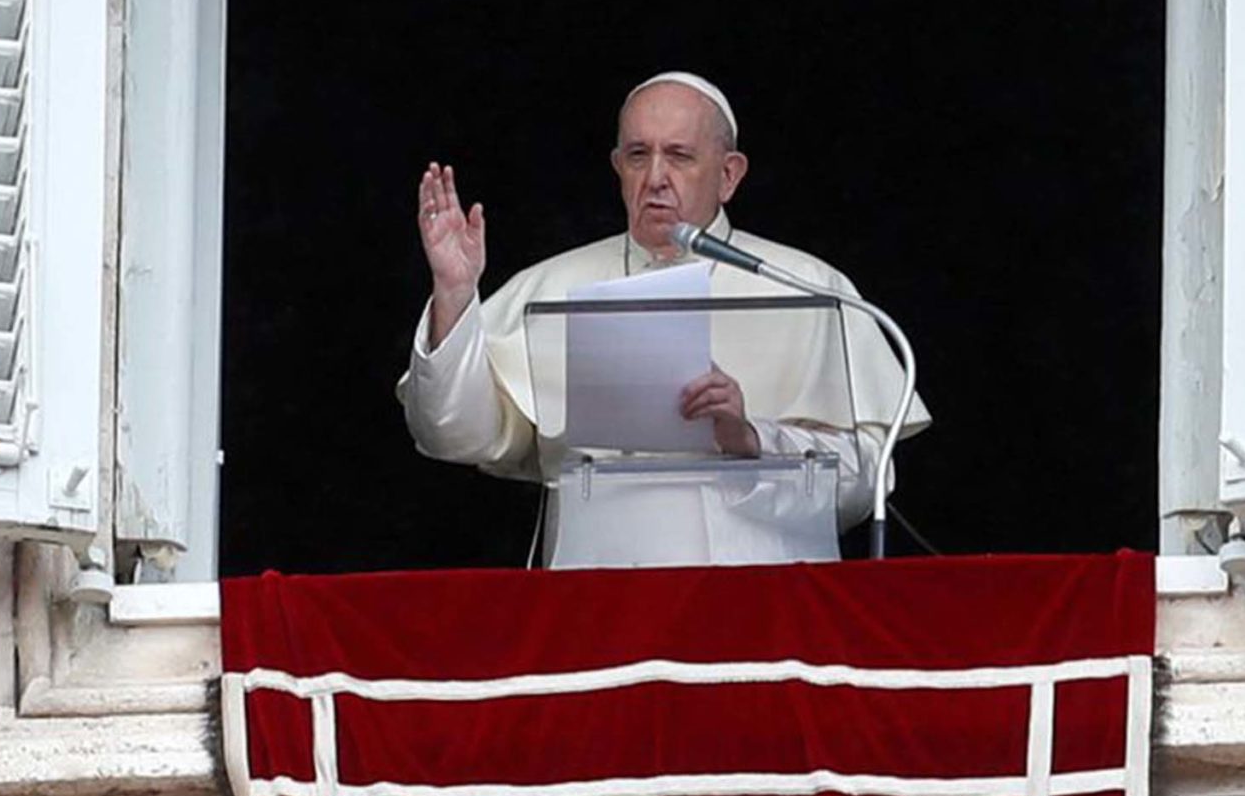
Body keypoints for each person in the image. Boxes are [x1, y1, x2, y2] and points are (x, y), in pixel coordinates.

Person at [397, 71, 929, 566]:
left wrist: (752, 440)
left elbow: (864, 484)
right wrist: (455, 293)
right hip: (597, 601)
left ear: (728, 175)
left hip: (764, 601)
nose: (655, 177)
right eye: (637, 155)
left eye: (679, 156)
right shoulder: (551, 287)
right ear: (617, 167)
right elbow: (454, 435)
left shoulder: (811, 289)